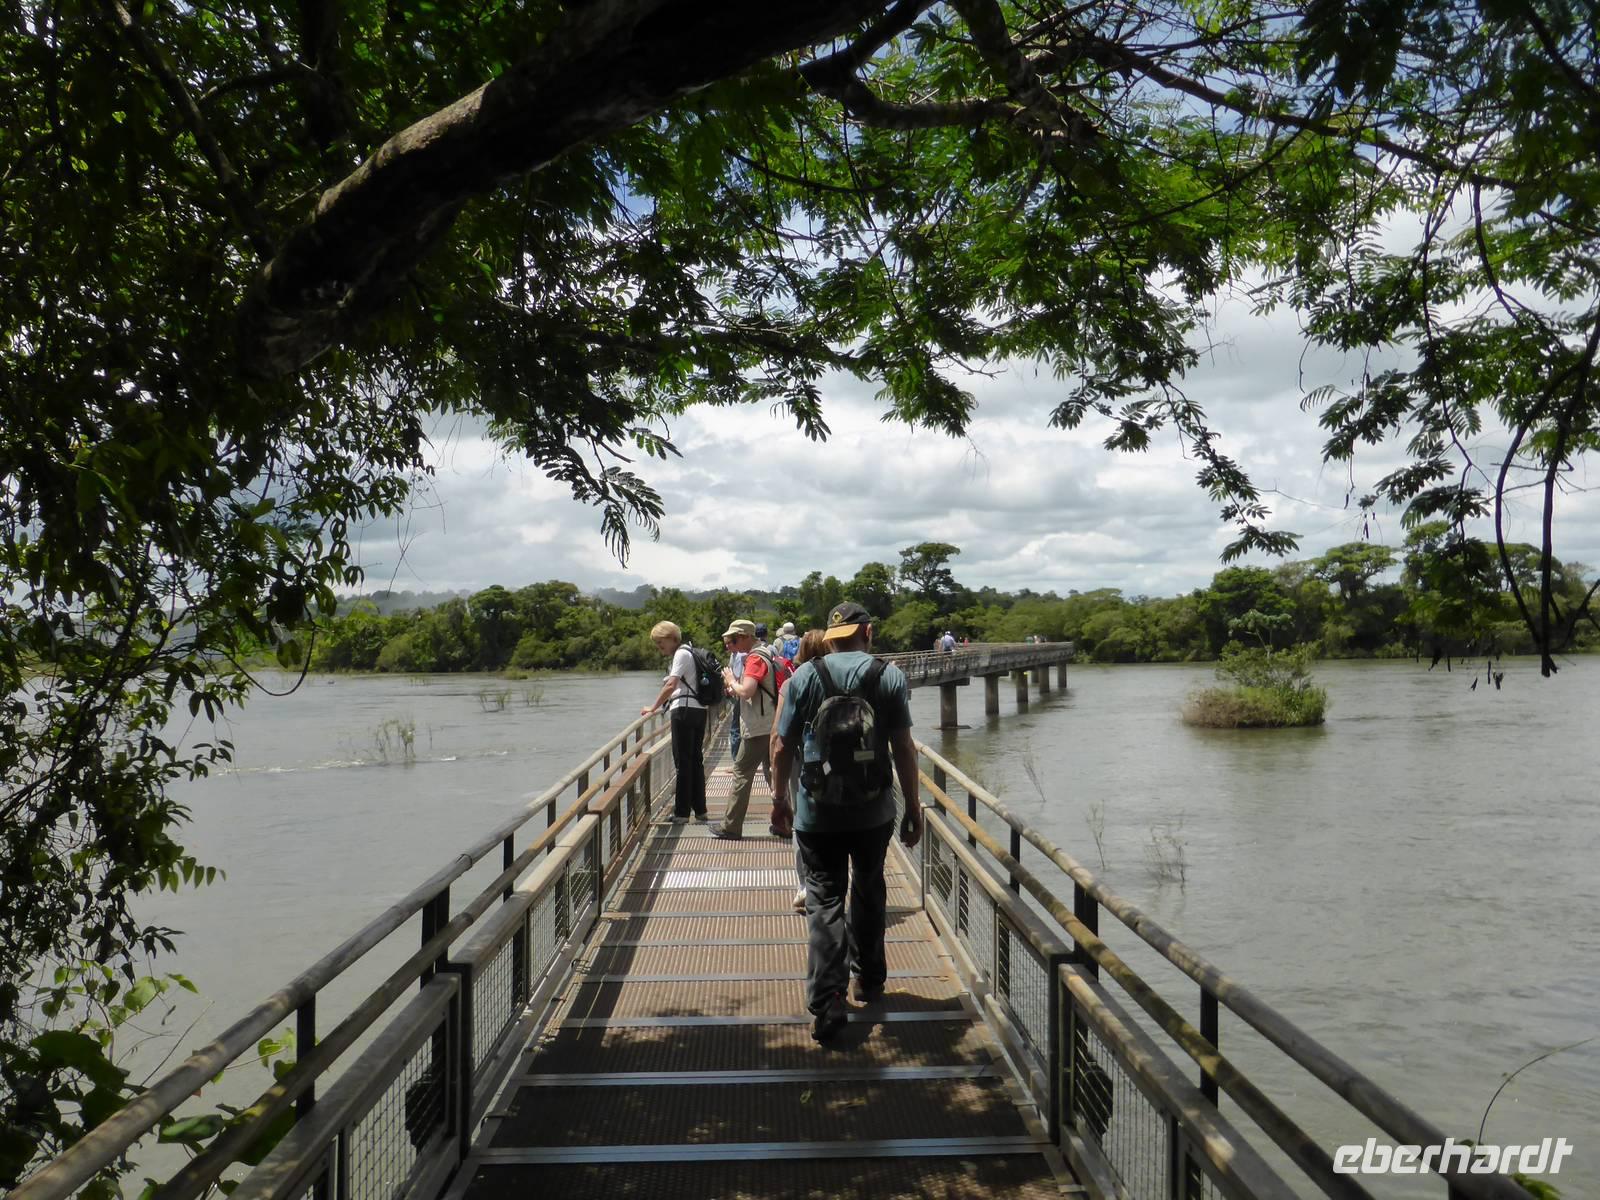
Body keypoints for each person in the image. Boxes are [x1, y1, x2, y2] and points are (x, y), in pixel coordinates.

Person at [772, 601, 923, 1043]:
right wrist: (913, 807)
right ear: (868, 632)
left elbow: (781, 745)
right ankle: (869, 980)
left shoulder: (805, 676)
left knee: (823, 897)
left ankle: (828, 998)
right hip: (875, 810)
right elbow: (904, 748)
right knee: (870, 887)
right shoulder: (888, 675)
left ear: (831, 637)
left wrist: (779, 800)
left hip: (816, 811)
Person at [710, 619, 789, 840]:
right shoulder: (765, 653)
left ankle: (731, 827)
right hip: (770, 722)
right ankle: (787, 823)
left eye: (732, 641)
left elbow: (746, 691)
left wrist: (730, 681)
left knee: (742, 773)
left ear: (745, 637)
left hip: (758, 726)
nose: (729, 647)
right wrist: (735, 684)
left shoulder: (754, 658)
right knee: (773, 774)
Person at [772, 629, 831, 911]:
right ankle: (835, 880)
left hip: (804, 761)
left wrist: (777, 793)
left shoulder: (795, 681)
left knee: (802, 821)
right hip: (843, 763)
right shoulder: (843, 678)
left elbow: (778, 739)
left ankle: (805, 886)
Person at [639, 620, 707, 822]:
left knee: (683, 762)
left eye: (661, 642)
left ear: (673, 639)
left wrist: (653, 707)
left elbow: (671, 684)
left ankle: (682, 812)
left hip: (684, 711)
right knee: (695, 761)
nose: (660, 647)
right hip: (699, 710)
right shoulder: (691, 651)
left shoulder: (681, 653)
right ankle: (700, 810)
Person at [724, 630, 747, 761]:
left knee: (735, 729)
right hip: (738, 693)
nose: (727, 646)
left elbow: (736, 677)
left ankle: (736, 761)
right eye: (726, 644)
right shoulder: (734, 655)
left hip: (738, 694)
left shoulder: (739, 656)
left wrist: (729, 684)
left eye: (729, 643)